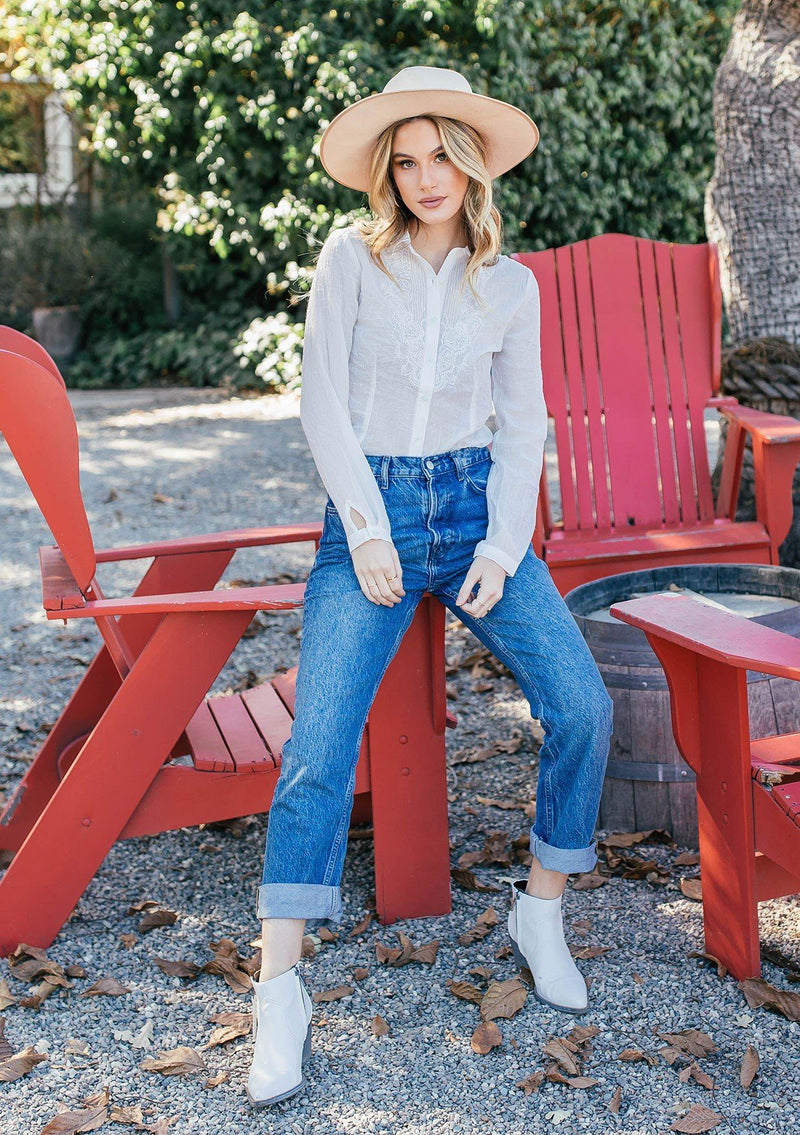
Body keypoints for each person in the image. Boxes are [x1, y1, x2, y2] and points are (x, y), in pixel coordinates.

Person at [246, 65, 613, 1108]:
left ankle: (538, 907)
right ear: (385, 175)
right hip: (374, 516)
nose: (421, 176)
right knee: (317, 747)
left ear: (469, 160)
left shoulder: (511, 283)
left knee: (582, 704)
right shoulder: (351, 262)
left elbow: (523, 421)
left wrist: (503, 545)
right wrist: (364, 528)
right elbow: (320, 401)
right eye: (402, 161)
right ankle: (279, 989)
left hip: (470, 518)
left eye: (437, 154)